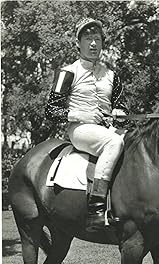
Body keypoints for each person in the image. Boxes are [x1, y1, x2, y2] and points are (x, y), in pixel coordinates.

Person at [45, 18, 128, 230]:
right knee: (113, 144)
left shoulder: (112, 76)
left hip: (109, 128)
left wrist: (120, 112)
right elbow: (51, 110)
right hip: (80, 130)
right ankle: (96, 211)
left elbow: (122, 106)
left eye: (97, 39)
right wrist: (80, 114)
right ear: (78, 43)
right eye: (88, 39)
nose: (93, 44)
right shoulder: (67, 72)